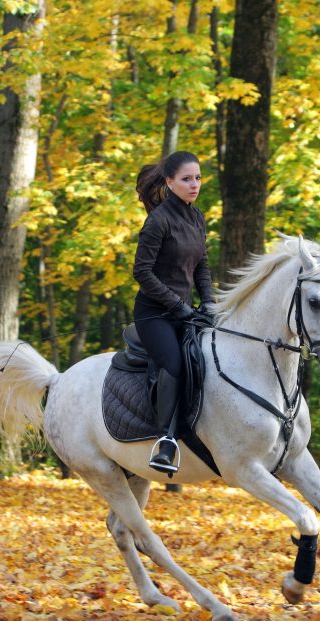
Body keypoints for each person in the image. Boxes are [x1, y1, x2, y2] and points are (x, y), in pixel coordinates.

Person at [133, 151, 216, 475]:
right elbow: (142, 272)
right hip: (154, 313)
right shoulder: (158, 221)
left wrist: (208, 300)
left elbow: (202, 265)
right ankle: (166, 439)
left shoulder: (197, 217)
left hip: (187, 311)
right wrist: (176, 305)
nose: (194, 184)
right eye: (186, 179)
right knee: (175, 363)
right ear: (169, 182)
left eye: (197, 178)